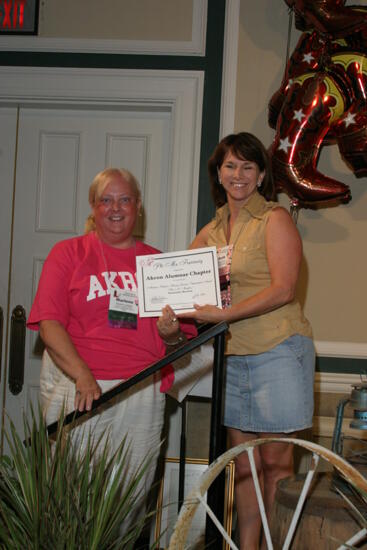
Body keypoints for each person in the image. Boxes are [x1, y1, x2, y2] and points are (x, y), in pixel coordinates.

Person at [27, 167, 196, 529]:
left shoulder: (158, 264)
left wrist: (170, 334)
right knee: (66, 502)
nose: (115, 208)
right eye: (106, 200)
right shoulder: (68, 253)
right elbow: (49, 324)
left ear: (138, 207)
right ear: (93, 206)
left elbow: (179, 340)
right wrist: (83, 375)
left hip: (140, 392)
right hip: (80, 389)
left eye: (124, 200)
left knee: (126, 505)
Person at [178, 132, 315, 550]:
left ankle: (280, 545)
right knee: (244, 469)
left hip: (278, 352)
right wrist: (170, 314)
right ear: (218, 174)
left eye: (247, 167)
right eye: (230, 166)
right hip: (233, 357)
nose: (238, 174)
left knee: (276, 463)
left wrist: (223, 314)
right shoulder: (210, 231)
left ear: (260, 177)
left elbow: (284, 289)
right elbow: (183, 287)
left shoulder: (274, 219)